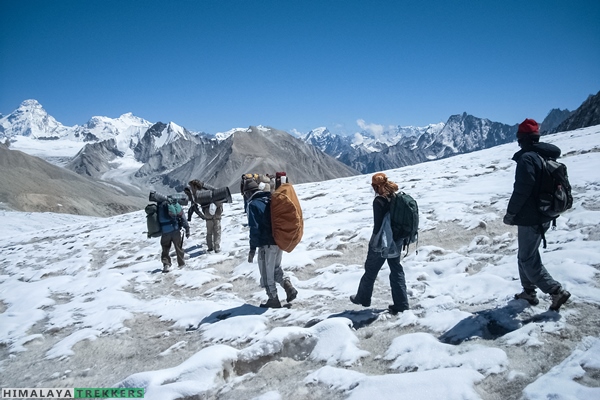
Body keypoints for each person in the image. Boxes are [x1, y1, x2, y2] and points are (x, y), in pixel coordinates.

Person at [503, 118, 571, 311]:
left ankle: (555, 290)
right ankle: (528, 291)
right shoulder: (544, 155)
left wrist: (511, 213)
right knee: (525, 254)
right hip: (545, 213)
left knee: (527, 257)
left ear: (522, 138)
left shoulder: (527, 158)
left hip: (531, 217)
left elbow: (522, 189)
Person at [350, 172, 409, 315]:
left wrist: (373, 242)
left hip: (382, 242)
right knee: (396, 269)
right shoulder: (395, 197)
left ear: (376, 186)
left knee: (370, 269)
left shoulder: (379, 201)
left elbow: (378, 226)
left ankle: (363, 298)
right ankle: (401, 304)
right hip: (397, 239)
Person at [244, 179, 298, 308]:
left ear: (248, 192)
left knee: (266, 273)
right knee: (275, 269)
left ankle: (273, 299)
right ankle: (288, 286)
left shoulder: (253, 204)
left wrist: (252, 248)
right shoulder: (270, 200)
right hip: (278, 241)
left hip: (265, 244)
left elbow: (254, 228)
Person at [185, 180, 224, 253]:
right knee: (217, 231)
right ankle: (217, 247)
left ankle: (210, 247)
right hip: (217, 212)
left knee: (209, 232)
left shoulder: (198, 194)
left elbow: (197, 203)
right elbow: (218, 193)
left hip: (207, 213)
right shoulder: (208, 189)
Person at [158, 195, 189, 273]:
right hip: (175, 230)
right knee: (178, 247)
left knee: (165, 248)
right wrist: (187, 228)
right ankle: (181, 263)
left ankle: (166, 265)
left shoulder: (160, 206)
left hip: (165, 231)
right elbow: (183, 218)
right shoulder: (176, 205)